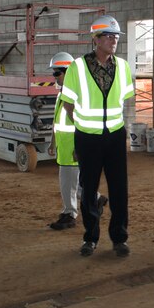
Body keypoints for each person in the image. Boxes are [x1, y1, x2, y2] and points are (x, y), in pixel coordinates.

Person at [60, 15, 134, 258]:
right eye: (108, 36)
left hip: (114, 137)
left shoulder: (122, 66)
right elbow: (68, 103)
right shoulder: (77, 67)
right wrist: (83, 125)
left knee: (119, 189)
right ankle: (90, 238)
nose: (113, 41)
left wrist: (124, 132)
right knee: (89, 188)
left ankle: (119, 238)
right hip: (88, 138)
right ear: (96, 39)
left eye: (116, 37)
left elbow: (124, 101)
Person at [46, 52, 107, 231]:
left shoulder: (77, 94)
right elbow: (57, 121)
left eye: (57, 73)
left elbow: (83, 123)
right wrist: (52, 142)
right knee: (76, 182)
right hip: (64, 146)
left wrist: (80, 146)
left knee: (68, 183)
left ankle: (69, 214)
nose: (54, 77)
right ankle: (96, 199)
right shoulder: (63, 93)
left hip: (73, 146)